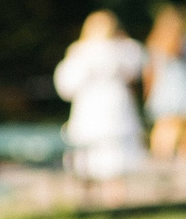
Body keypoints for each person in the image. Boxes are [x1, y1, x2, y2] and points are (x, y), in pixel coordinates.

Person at [54, 11, 146, 185]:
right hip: (110, 113)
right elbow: (135, 71)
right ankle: (113, 201)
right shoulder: (124, 49)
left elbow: (66, 86)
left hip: (92, 113)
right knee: (112, 162)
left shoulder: (81, 51)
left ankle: (97, 202)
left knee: (93, 160)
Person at [143, 7, 186, 160]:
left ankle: (162, 156)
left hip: (166, 89)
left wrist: (148, 92)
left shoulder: (155, 42)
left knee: (166, 125)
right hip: (184, 86)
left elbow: (150, 72)